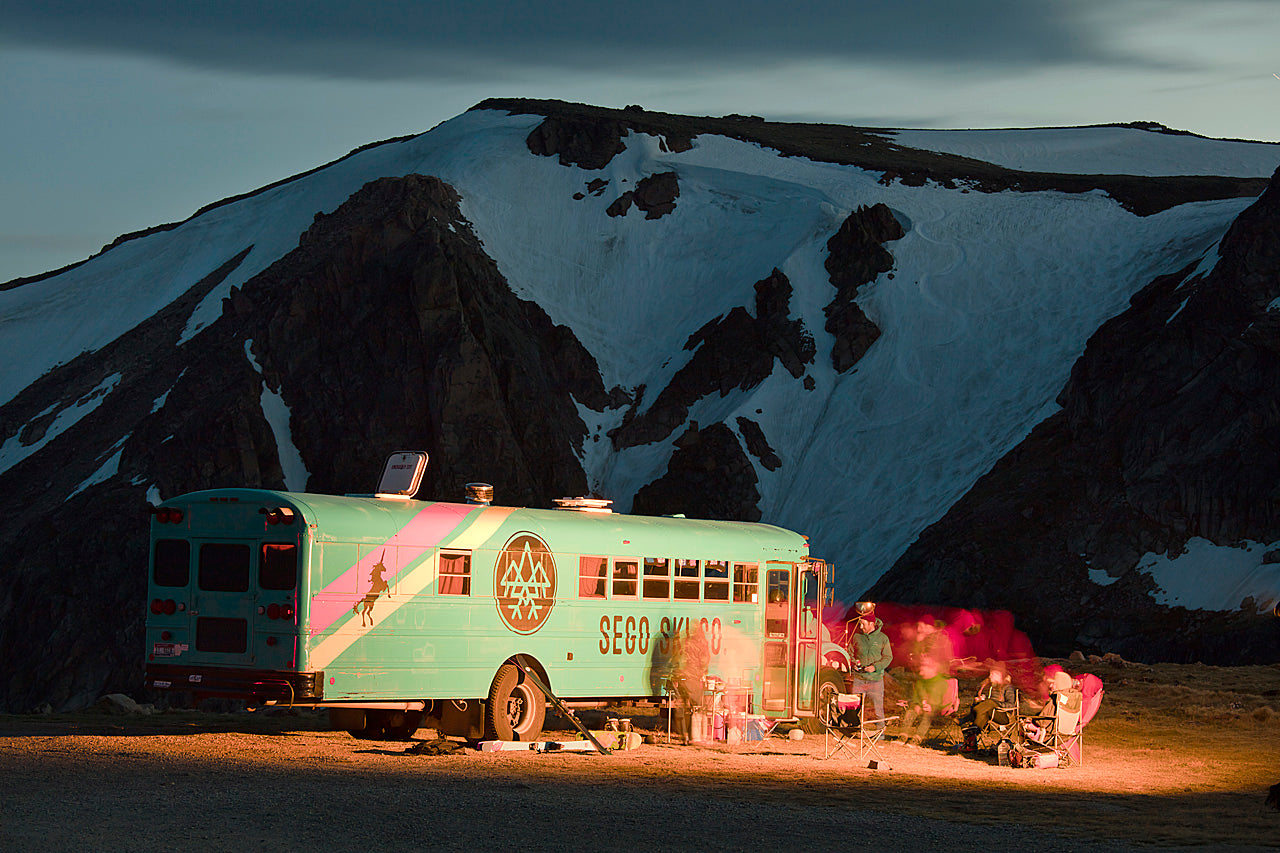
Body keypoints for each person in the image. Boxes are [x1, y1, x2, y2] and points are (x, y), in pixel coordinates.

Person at [846, 602, 893, 726]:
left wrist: (875, 667)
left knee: (878, 708)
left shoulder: (883, 639)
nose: (860, 627)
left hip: (875, 679)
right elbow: (849, 652)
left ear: (871, 624)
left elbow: (888, 657)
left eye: (862, 624)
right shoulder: (856, 637)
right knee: (853, 706)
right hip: (859, 678)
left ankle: (880, 733)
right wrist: (853, 662)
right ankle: (853, 729)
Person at [667, 623, 710, 744]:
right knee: (696, 707)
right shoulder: (702, 643)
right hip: (693, 679)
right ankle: (695, 736)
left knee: (681, 707)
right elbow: (704, 661)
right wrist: (703, 673)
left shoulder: (685, 642)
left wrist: (674, 675)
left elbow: (676, 659)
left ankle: (684, 734)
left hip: (681, 678)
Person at [898, 658, 948, 746]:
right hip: (922, 707)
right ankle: (903, 736)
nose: (921, 670)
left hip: (937, 711)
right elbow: (916, 698)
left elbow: (946, 702)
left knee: (928, 715)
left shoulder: (942, 683)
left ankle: (917, 739)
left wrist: (933, 707)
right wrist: (917, 705)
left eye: (924, 667)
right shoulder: (920, 683)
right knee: (910, 712)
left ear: (933, 669)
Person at [962, 662, 1017, 731]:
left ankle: (966, 719)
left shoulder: (1007, 687)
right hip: (988, 713)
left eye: (993, 674)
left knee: (989, 703)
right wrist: (981, 699)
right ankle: (973, 732)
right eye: (990, 674)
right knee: (984, 711)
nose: (990, 676)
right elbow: (986, 702)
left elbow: (1011, 705)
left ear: (1000, 675)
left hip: (1003, 716)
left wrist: (994, 704)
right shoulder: (989, 686)